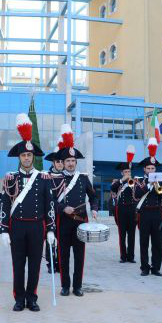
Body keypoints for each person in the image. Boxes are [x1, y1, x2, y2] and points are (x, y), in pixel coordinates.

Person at [0, 113, 56, 312]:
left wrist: (50, 230)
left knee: (34, 265)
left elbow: (49, 205)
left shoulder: (44, 178)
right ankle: (19, 298)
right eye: (23, 155)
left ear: (33, 157)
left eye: (29, 155)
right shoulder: (10, 178)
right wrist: (4, 230)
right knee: (18, 264)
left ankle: (32, 297)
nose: (26, 158)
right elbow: (5, 205)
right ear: (19, 157)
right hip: (17, 226)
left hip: (36, 226)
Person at [54, 124, 98, 297]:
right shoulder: (56, 179)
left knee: (79, 256)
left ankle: (78, 286)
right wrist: (63, 208)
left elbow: (93, 197)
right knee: (63, 256)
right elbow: (50, 201)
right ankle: (65, 286)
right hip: (63, 223)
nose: (71, 163)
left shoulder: (83, 178)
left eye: (73, 161)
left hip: (81, 222)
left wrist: (94, 209)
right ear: (63, 163)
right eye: (68, 161)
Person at [135, 138, 162, 276]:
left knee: (157, 242)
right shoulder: (139, 181)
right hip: (145, 214)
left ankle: (156, 267)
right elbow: (136, 194)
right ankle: (144, 267)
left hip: (157, 214)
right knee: (144, 242)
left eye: (153, 168)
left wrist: (158, 185)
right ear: (144, 169)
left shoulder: (161, 181)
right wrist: (148, 185)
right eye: (149, 168)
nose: (151, 170)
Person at [111, 145, 137, 264]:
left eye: (129, 171)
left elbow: (137, 192)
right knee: (122, 234)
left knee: (131, 234)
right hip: (121, 209)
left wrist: (131, 180)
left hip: (132, 209)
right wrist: (122, 180)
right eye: (125, 172)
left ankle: (131, 256)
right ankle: (123, 256)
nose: (127, 173)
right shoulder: (117, 182)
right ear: (122, 172)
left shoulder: (134, 181)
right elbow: (112, 188)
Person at [44, 136, 64, 274]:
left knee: (62, 240)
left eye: (62, 161)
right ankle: (50, 263)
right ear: (53, 162)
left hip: (64, 214)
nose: (60, 164)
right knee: (50, 239)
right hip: (50, 213)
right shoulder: (46, 176)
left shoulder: (68, 176)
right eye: (58, 161)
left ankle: (60, 263)